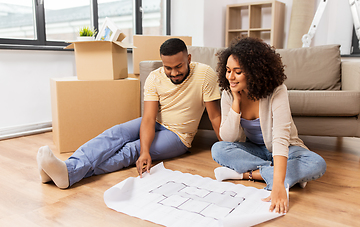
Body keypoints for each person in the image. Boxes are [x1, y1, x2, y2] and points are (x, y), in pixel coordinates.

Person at [37, 38, 221, 189]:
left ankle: (67, 173)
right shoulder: (154, 78)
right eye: (168, 68)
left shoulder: (205, 74)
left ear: (188, 58)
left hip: (178, 136)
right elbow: (149, 118)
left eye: (179, 66)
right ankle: (65, 170)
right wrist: (146, 150)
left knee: (132, 150)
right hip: (155, 122)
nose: (173, 73)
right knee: (115, 133)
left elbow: (214, 116)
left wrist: (226, 147)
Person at [211, 37, 326, 214]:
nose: (230, 77)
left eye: (237, 71)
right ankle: (284, 174)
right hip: (254, 148)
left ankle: (247, 174)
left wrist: (278, 185)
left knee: (316, 163)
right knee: (218, 149)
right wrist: (236, 103)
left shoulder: (277, 90)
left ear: (254, 72)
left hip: (287, 148)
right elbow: (228, 138)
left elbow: (281, 137)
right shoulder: (229, 93)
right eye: (227, 70)